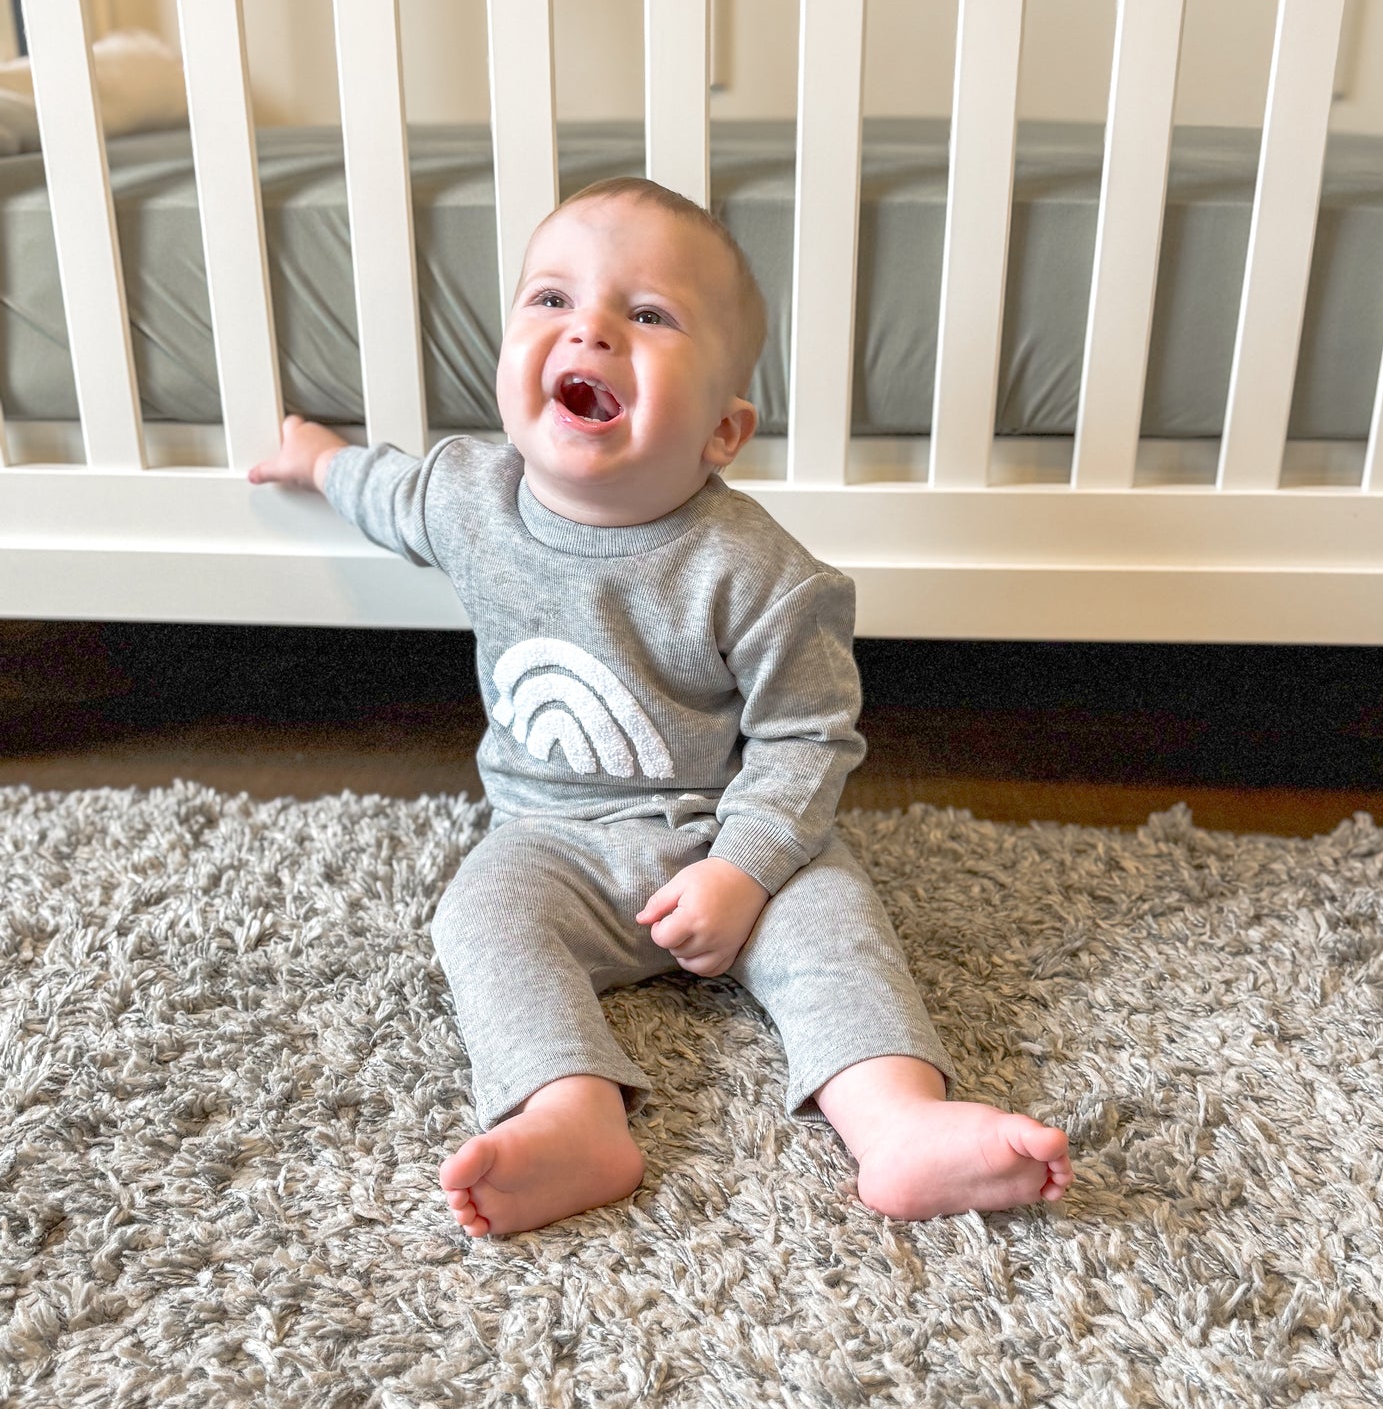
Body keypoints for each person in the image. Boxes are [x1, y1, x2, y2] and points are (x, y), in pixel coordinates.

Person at [250, 177, 1072, 1237]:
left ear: (723, 431)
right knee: (479, 917)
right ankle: (570, 1112)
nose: (586, 325)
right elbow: (388, 491)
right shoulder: (469, 497)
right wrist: (319, 458)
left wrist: (742, 869)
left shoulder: (761, 572)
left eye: (645, 316)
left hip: (727, 836)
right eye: (549, 300)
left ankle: (898, 1122)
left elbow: (807, 737)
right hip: (550, 838)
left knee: (835, 925)